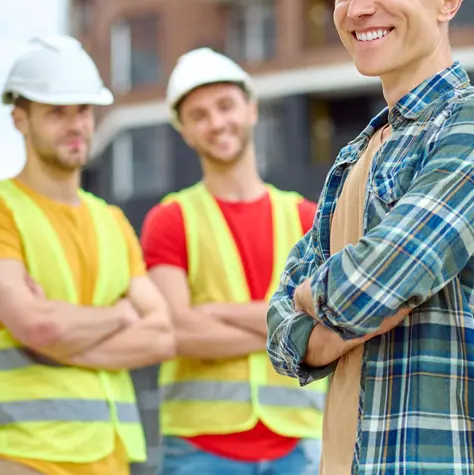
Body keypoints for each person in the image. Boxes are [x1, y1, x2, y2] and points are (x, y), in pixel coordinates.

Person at [266, 0, 474, 473]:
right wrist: (323, 315)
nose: (358, 7)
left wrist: (320, 301)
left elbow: (377, 283)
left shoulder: (467, 122)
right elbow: (281, 332)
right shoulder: (356, 154)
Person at [141, 47, 326, 475]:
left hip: (300, 442)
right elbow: (176, 330)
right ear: (183, 130)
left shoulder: (307, 217)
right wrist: (286, 328)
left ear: (252, 109)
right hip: (198, 449)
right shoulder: (170, 220)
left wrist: (215, 314)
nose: (216, 122)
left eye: (225, 106)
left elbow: (325, 321)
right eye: (199, 115)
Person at [0, 36, 176, 475]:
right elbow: (36, 324)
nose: (75, 124)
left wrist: (59, 339)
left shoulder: (111, 220)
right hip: (25, 453)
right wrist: (120, 315)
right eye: (56, 112)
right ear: (20, 119)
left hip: (111, 454)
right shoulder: (4, 209)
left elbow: (161, 335)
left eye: (82, 109)